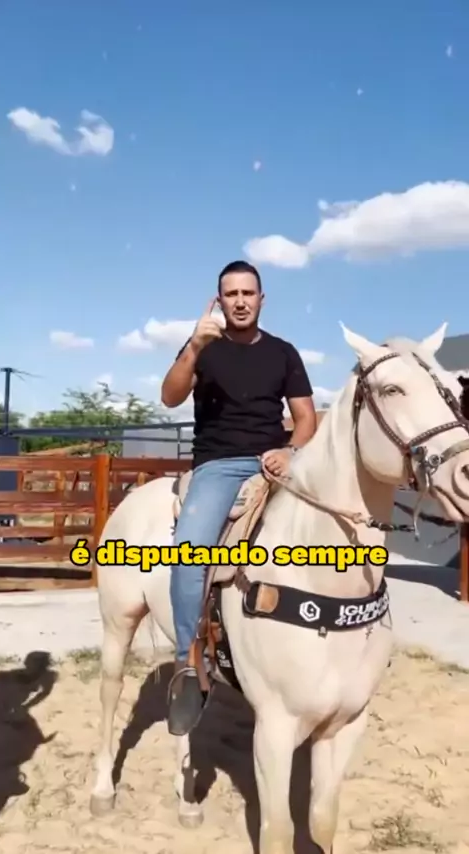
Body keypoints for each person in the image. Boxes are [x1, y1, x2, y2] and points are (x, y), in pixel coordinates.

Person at [160, 259, 317, 735]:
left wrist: (290, 452)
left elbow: (306, 419)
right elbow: (169, 397)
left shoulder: (284, 353)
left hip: (275, 459)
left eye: (248, 293)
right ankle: (189, 662)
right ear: (219, 300)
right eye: (231, 294)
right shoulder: (203, 347)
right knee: (189, 553)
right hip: (219, 464)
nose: (241, 301)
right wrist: (193, 346)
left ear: (261, 299)